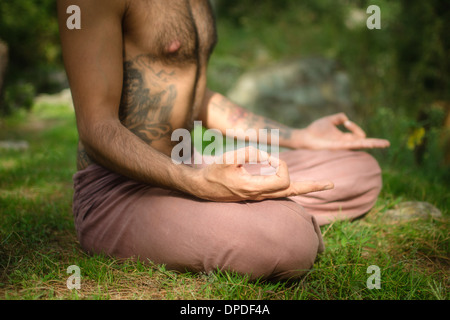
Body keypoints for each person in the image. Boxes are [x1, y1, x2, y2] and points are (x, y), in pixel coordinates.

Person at [57, 0, 390, 281]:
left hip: (190, 163)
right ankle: (266, 215)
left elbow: (194, 96)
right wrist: (197, 183)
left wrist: (301, 137)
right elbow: (96, 126)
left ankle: (246, 208)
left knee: (359, 168)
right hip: (119, 191)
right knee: (288, 239)